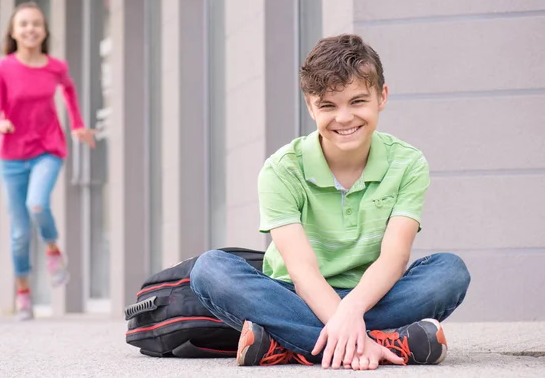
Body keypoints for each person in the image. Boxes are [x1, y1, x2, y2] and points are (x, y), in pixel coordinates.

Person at [190, 34, 471, 370]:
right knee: (211, 269)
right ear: (310, 106)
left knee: (449, 272)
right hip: (294, 296)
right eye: (328, 105)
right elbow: (302, 270)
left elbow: (394, 258)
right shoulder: (283, 169)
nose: (344, 118)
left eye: (357, 101)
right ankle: (377, 344)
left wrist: (350, 311)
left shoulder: (407, 163)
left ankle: (291, 343)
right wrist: (351, 327)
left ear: (382, 96)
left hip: (371, 297)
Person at [0, 2, 95, 321]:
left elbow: (70, 92)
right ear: (13, 32)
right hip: (12, 156)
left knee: (37, 204)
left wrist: (76, 125)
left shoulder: (55, 67)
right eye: (23, 24)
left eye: (36, 24)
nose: (30, 29)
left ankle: (52, 249)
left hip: (48, 146)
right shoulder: (2, 68)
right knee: (19, 234)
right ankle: (23, 292)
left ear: (44, 31)